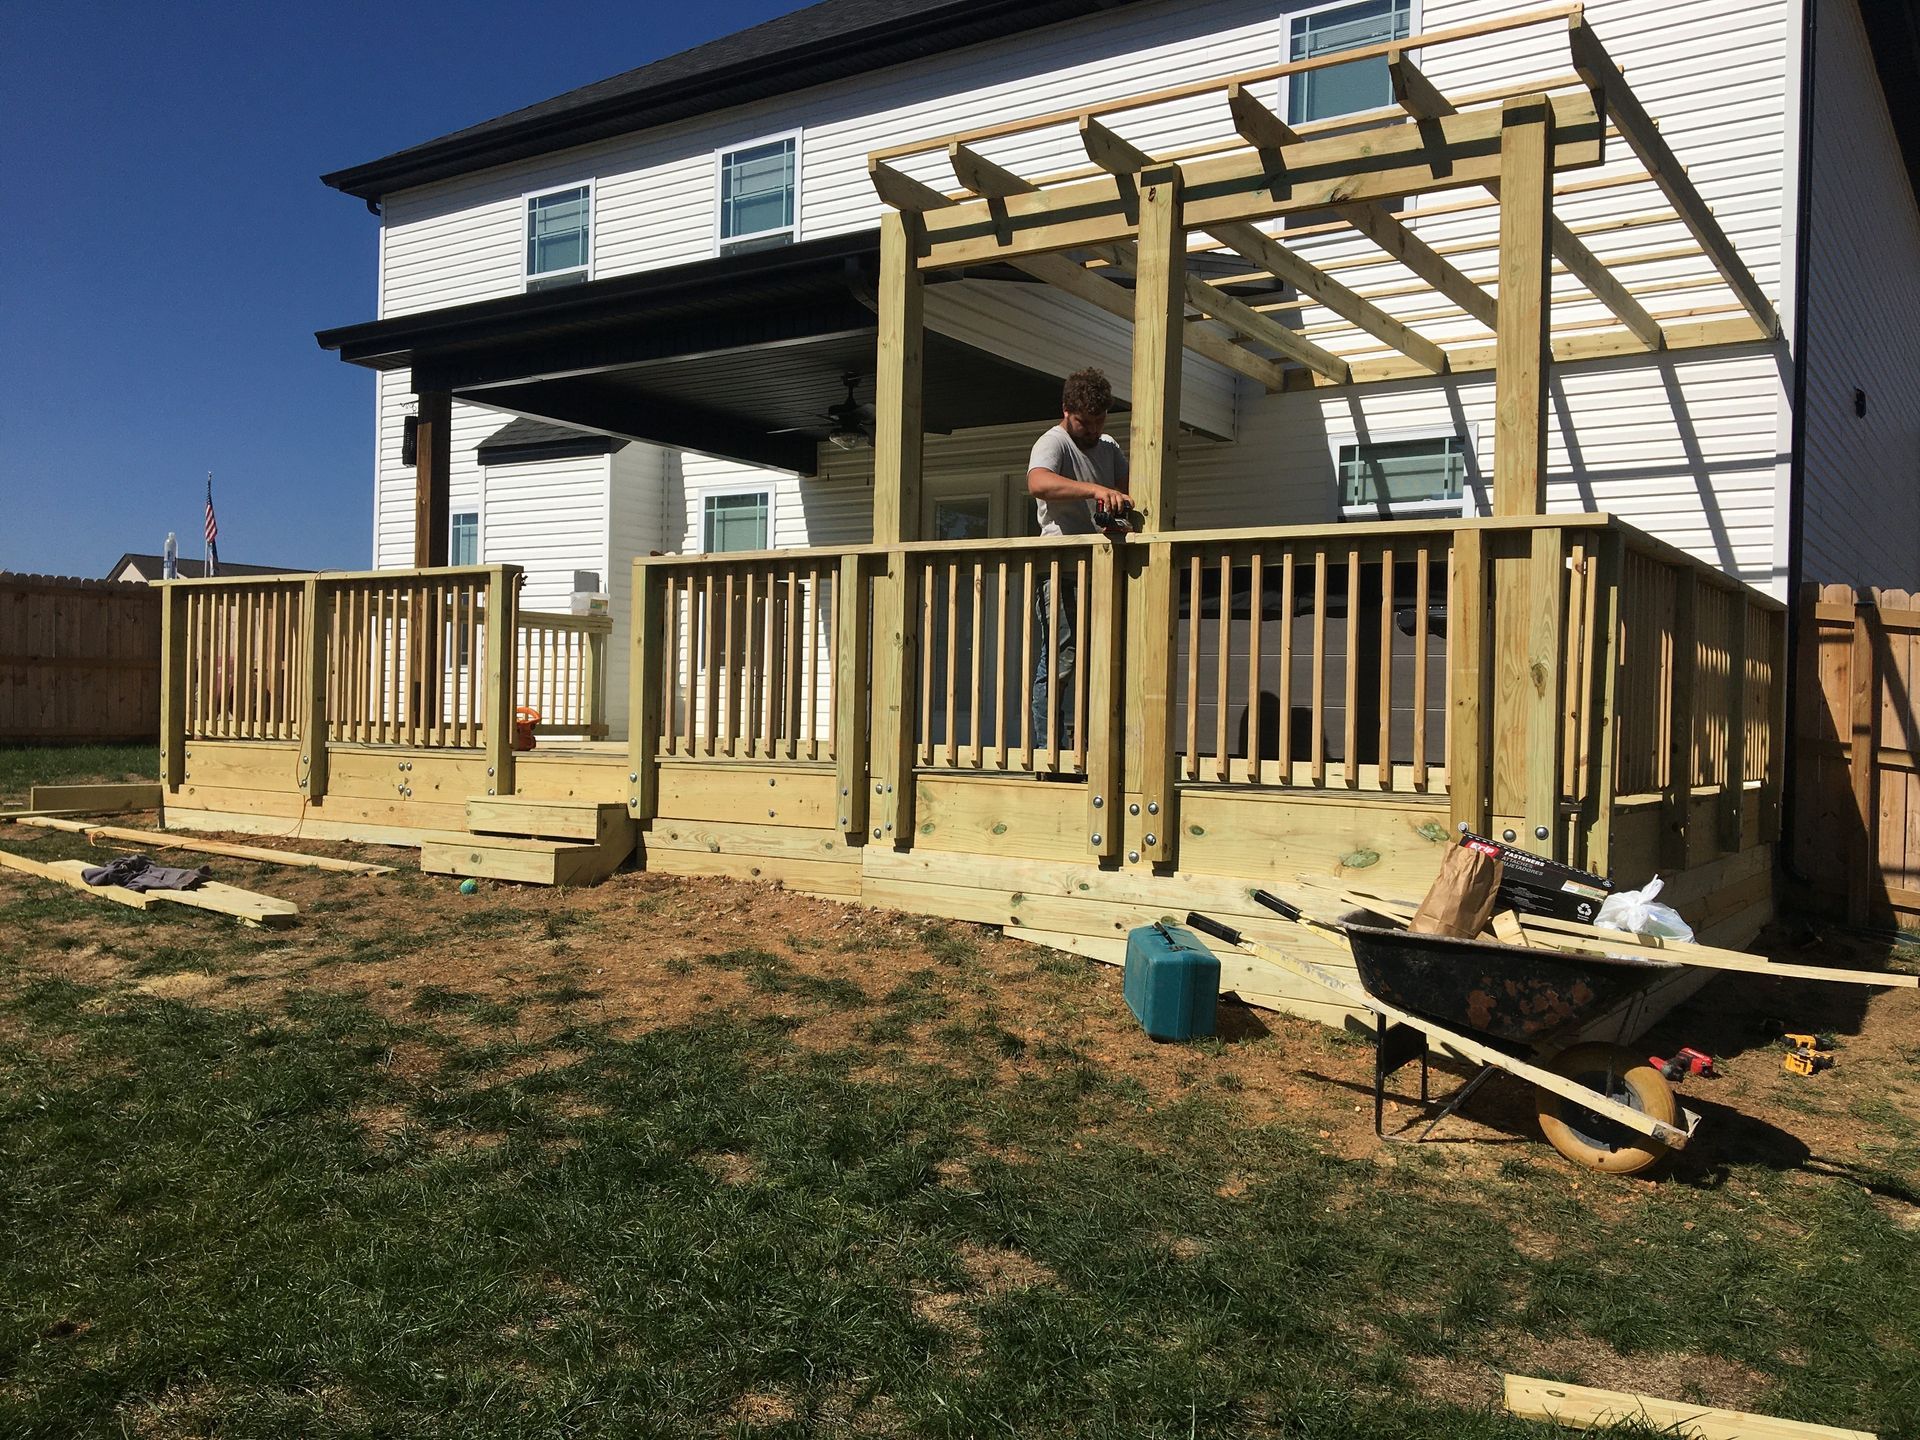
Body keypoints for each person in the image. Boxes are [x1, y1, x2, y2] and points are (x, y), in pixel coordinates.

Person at [1025, 368, 1130, 759]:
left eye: (1100, 420)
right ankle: (1047, 751)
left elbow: (1130, 490)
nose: (1092, 429)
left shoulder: (1109, 446)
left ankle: (1096, 749)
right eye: (1085, 421)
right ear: (1066, 411)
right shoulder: (1052, 442)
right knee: (1061, 658)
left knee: (1106, 658)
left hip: (1104, 569)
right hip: (1062, 568)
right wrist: (1096, 489)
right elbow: (1037, 483)